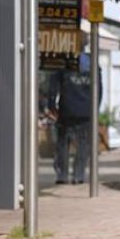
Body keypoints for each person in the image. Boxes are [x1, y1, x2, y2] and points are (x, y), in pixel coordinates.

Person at [48, 52, 102, 184]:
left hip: (67, 108)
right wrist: (95, 107)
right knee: (83, 143)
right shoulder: (92, 62)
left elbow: (53, 86)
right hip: (86, 109)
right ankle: (78, 175)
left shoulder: (63, 60)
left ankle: (62, 175)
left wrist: (51, 104)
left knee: (63, 142)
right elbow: (99, 89)